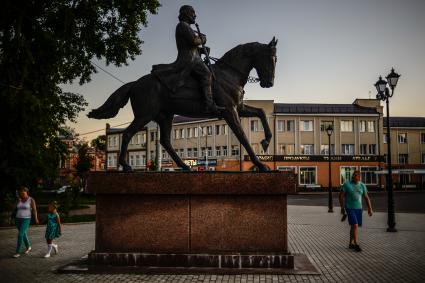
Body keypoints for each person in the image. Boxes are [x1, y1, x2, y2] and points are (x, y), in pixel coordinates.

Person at [339, 170, 373, 252]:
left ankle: (350, 243)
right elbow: (340, 196)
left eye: (356, 175)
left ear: (359, 177)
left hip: (359, 209)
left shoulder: (362, 185)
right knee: (355, 225)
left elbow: (366, 197)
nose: (353, 176)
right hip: (349, 208)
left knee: (353, 226)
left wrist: (370, 209)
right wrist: (342, 207)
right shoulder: (347, 184)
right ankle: (356, 243)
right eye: (353, 175)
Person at [13, 186, 39, 258]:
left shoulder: (31, 200)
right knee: (23, 234)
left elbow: (34, 210)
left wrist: (36, 218)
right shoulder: (19, 199)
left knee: (20, 234)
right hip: (18, 219)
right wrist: (17, 202)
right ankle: (28, 246)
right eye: (21, 193)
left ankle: (17, 252)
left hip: (26, 219)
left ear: (26, 192)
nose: (22, 194)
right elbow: (13, 207)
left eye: (23, 193)